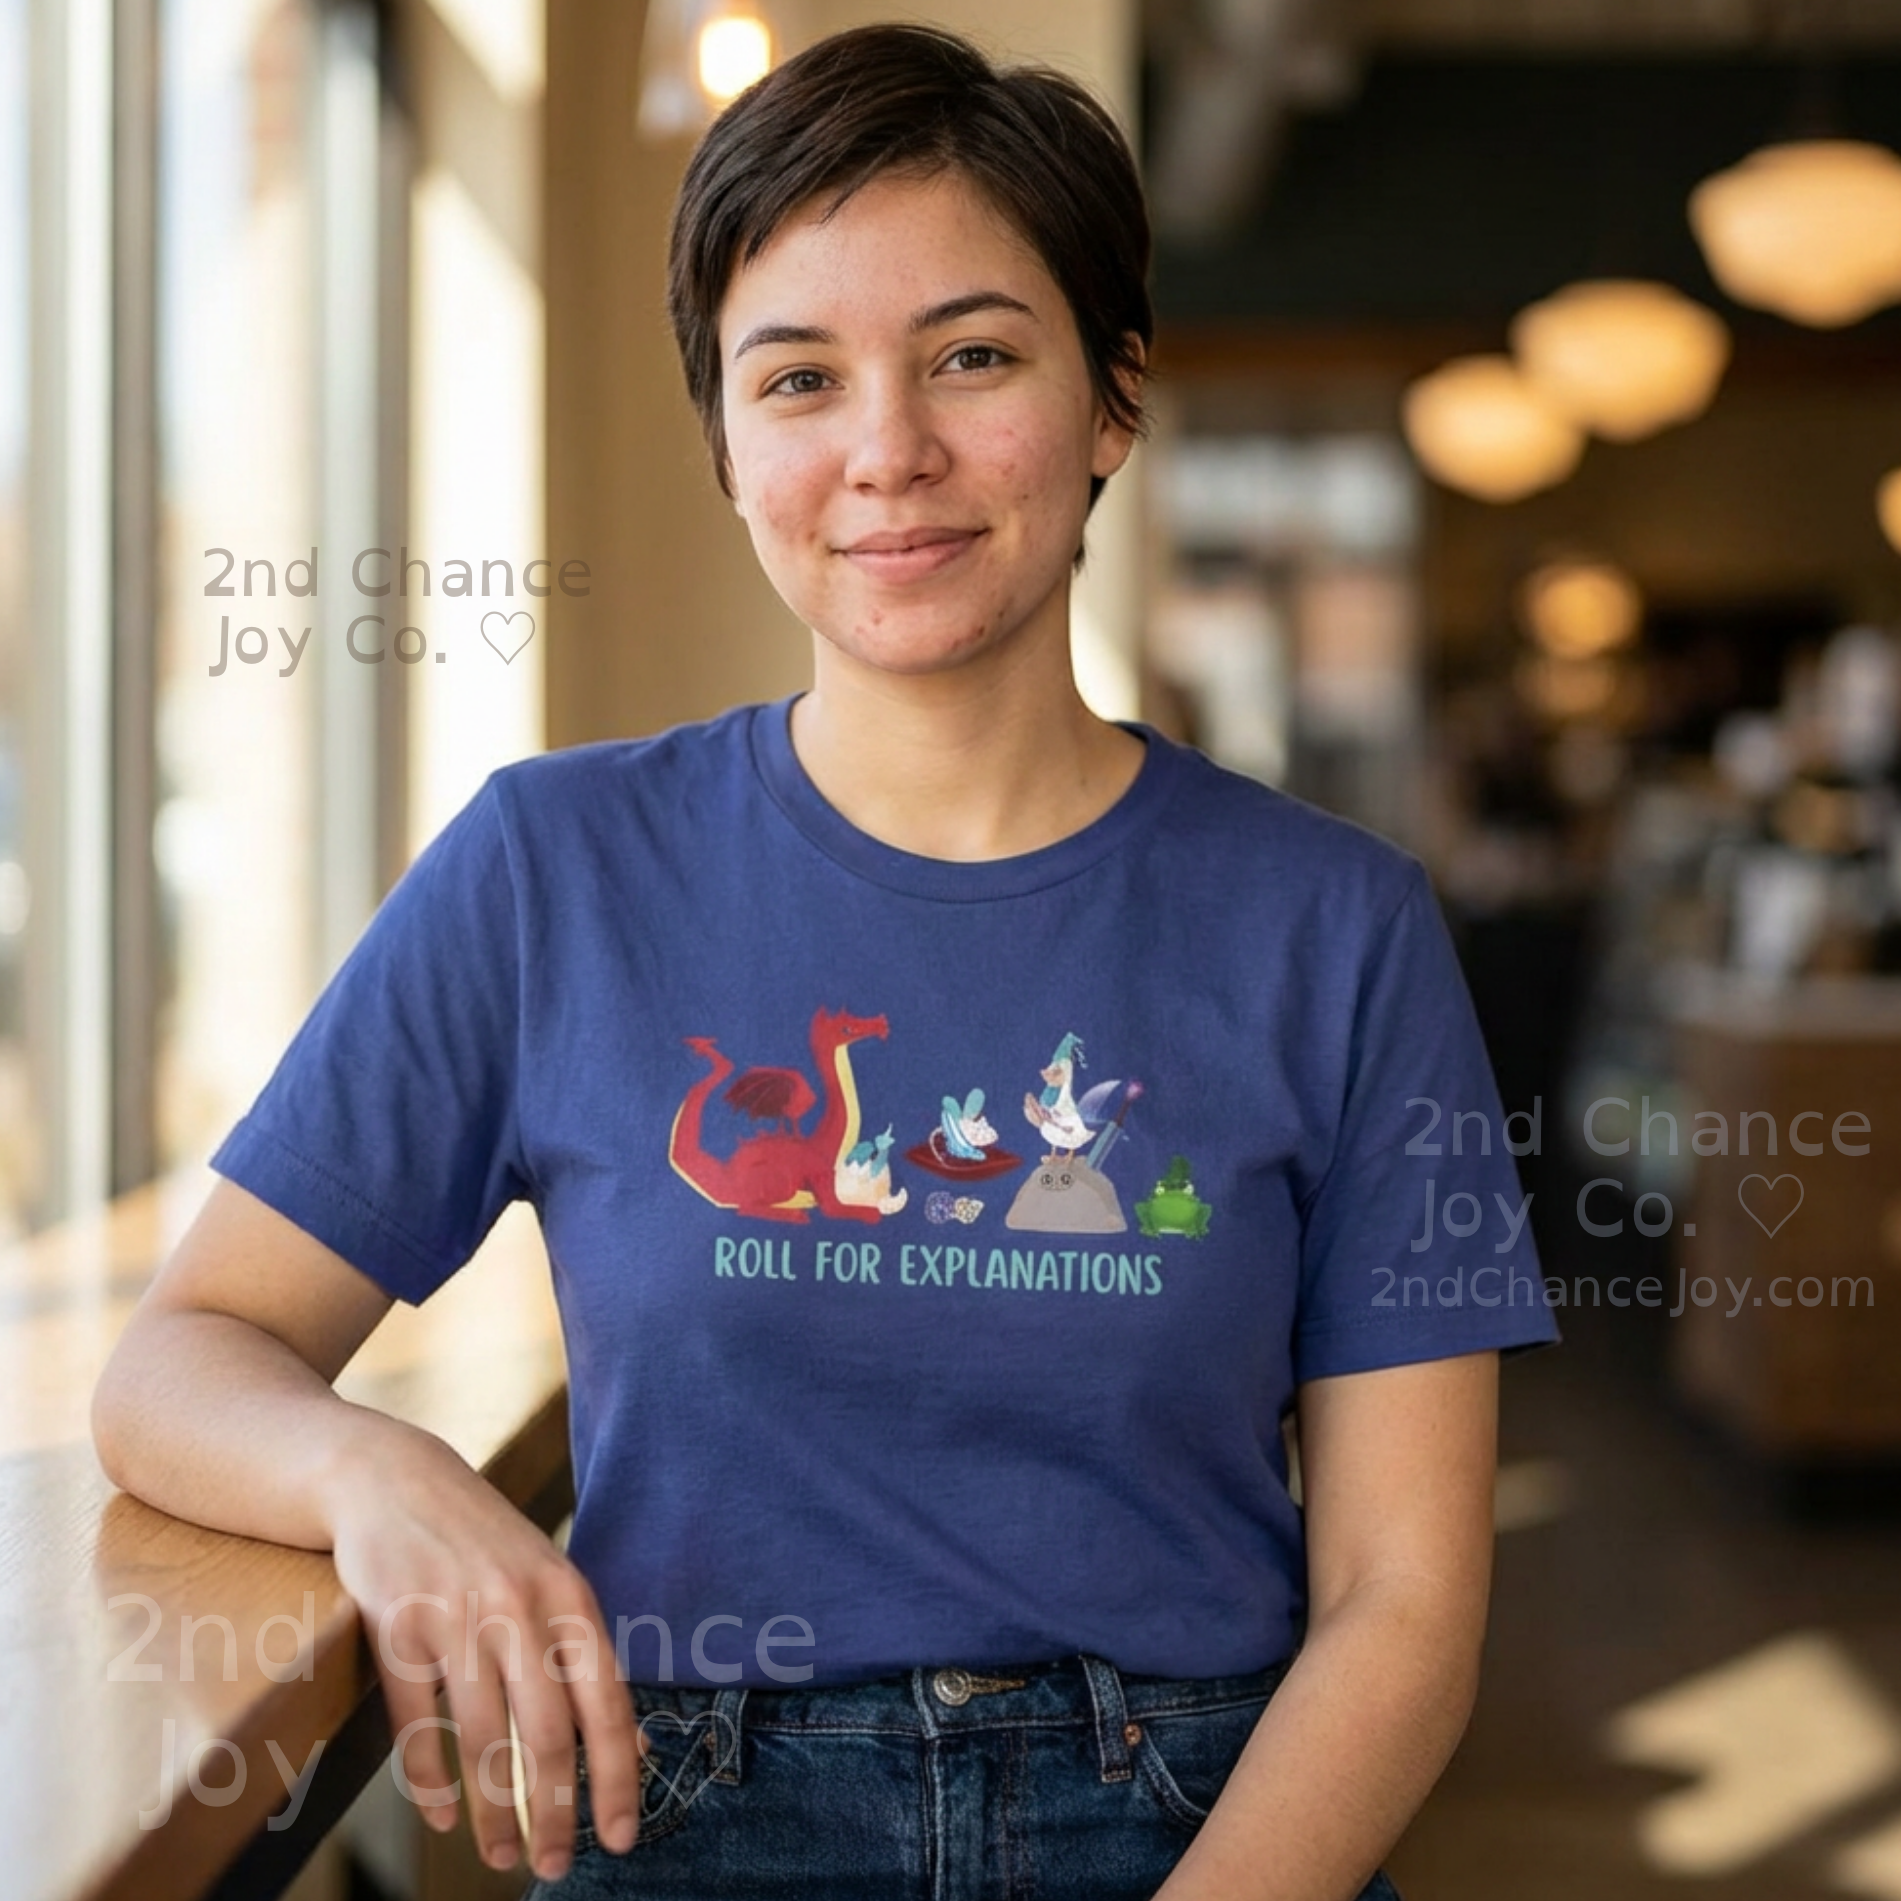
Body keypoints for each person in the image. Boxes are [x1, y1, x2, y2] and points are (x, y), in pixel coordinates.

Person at [92, 23, 1559, 1900]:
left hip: (1206, 1823)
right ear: (725, 439)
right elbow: (181, 1365)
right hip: (691, 1818)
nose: (890, 453)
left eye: (972, 354)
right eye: (798, 379)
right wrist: (389, 1483)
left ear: (1113, 400)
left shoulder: (1340, 927)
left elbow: (1404, 1602)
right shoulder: (552, 872)